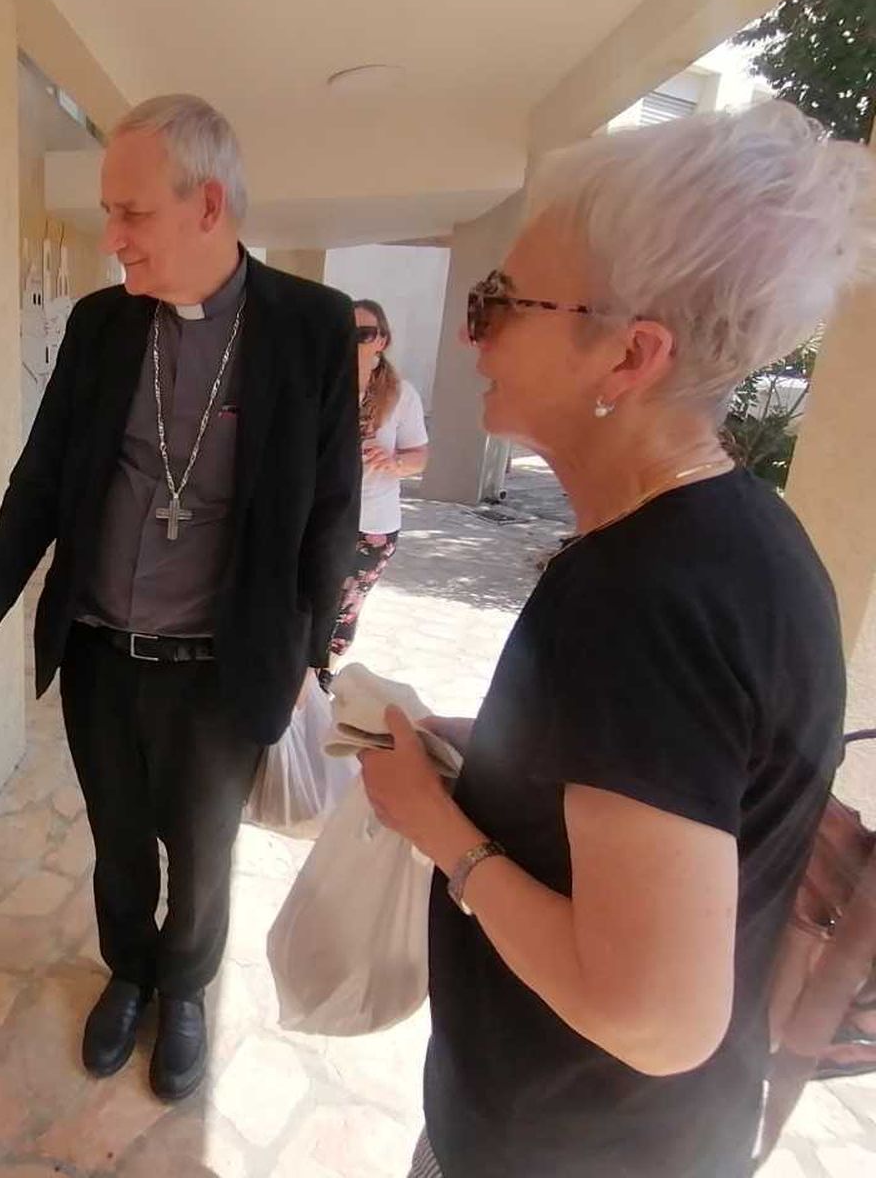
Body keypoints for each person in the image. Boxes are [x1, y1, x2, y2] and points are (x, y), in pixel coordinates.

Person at [358, 102, 873, 1177]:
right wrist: (497, 767)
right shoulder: (739, 533)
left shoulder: (642, 597)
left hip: (564, 1143)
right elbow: (665, 781)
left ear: (630, 355)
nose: (471, 330)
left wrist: (438, 832)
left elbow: (654, 1019)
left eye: (501, 303)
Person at [0, 94, 360, 1101]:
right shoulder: (99, 325)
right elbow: (41, 476)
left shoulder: (308, 327)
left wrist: (311, 659)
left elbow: (333, 507)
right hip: (98, 652)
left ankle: (184, 990)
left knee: (203, 855)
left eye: (129, 214)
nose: (111, 237)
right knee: (120, 842)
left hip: (220, 667)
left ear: (207, 205)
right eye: (107, 214)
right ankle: (127, 971)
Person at [321, 298, 428, 683]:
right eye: (346, 334)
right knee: (314, 601)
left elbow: (419, 456)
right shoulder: (325, 386)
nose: (355, 342)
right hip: (323, 516)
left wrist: (393, 462)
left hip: (373, 524)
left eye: (364, 334)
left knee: (345, 609)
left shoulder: (401, 395)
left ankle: (321, 681)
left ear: (382, 340)